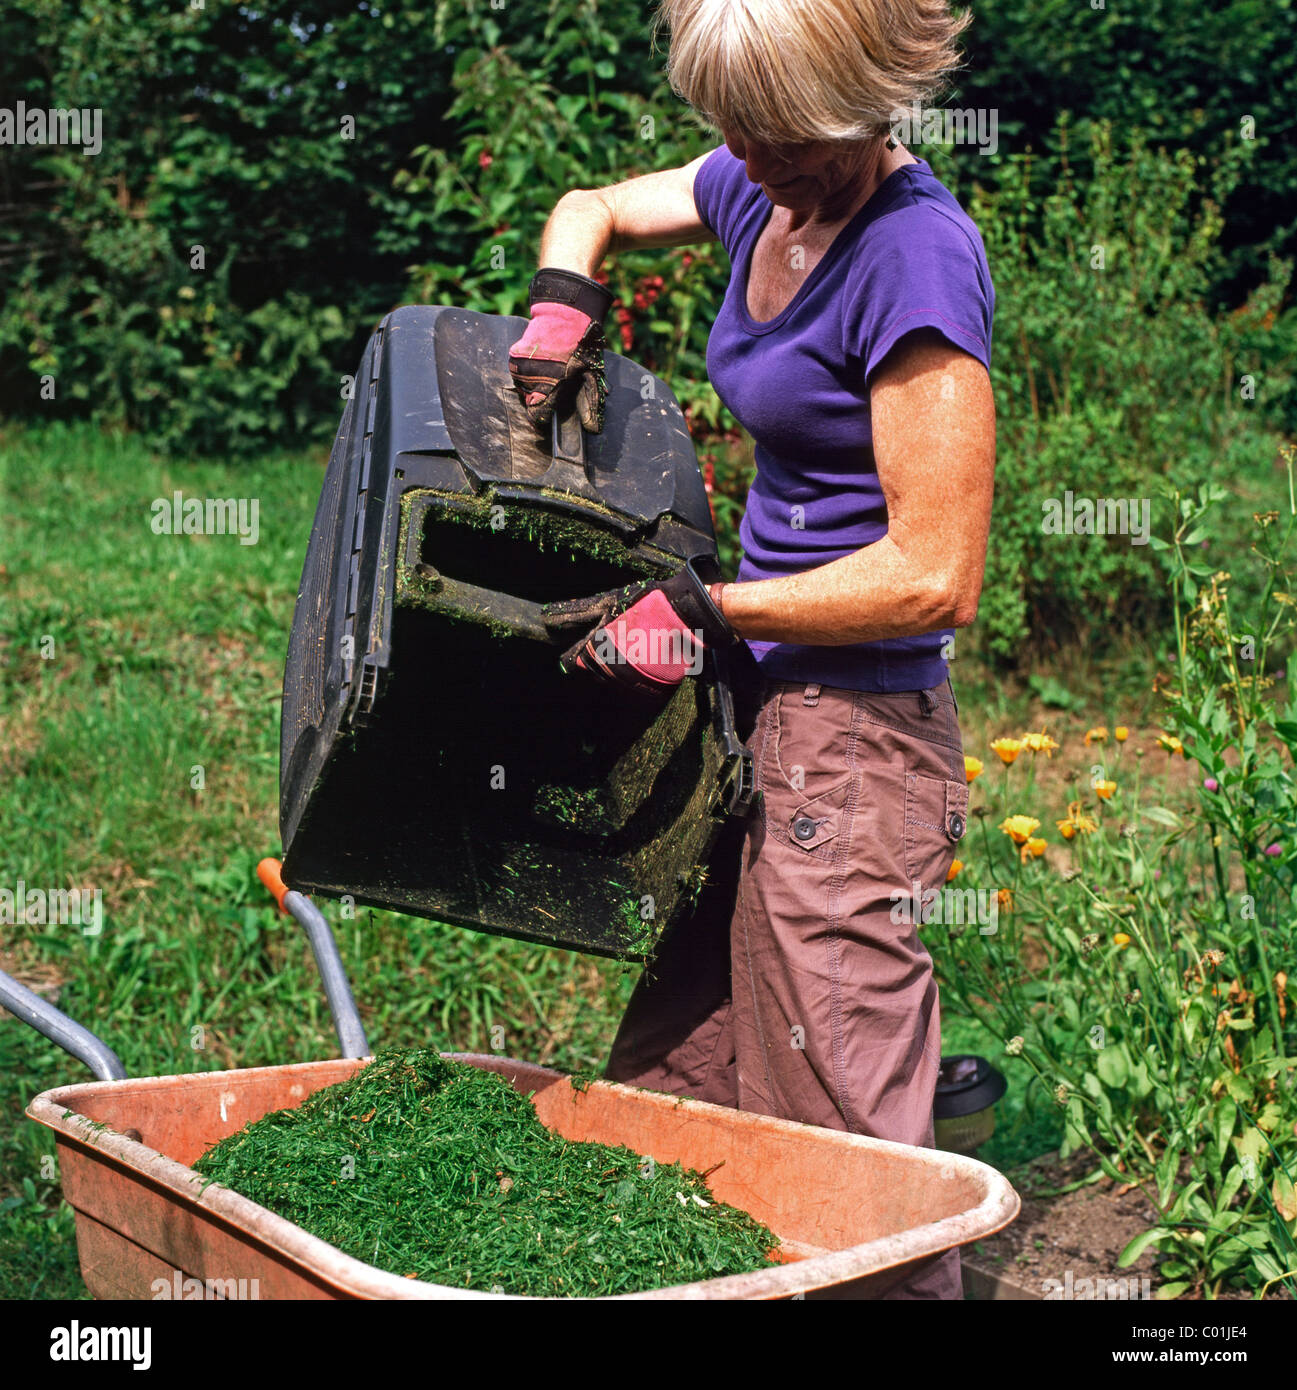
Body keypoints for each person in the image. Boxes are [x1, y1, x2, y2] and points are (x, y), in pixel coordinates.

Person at [510, 0, 996, 1300]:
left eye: (781, 128)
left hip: (855, 734)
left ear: (865, 94)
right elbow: (591, 206)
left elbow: (935, 572)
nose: (749, 154)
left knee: (835, 1091)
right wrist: (562, 306)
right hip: (748, 702)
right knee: (688, 1046)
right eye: (732, 122)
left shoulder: (916, 259)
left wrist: (717, 607)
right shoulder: (758, 189)